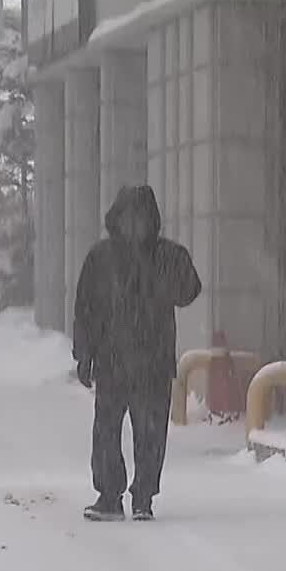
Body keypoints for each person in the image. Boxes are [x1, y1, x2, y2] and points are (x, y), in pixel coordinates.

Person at [72, 185, 202, 521]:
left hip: (153, 362)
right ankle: (109, 496)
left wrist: (170, 270)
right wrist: (84, 353)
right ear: (117, 219)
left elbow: (189, 291)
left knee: (150, 433)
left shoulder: (166, 257)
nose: (134, 226)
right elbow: (86, 309)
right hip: (111, 362)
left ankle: (143, 496)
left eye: (141, 218)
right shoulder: (100, 259)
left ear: (152, 221)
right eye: (128, 218)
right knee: (106, 432)